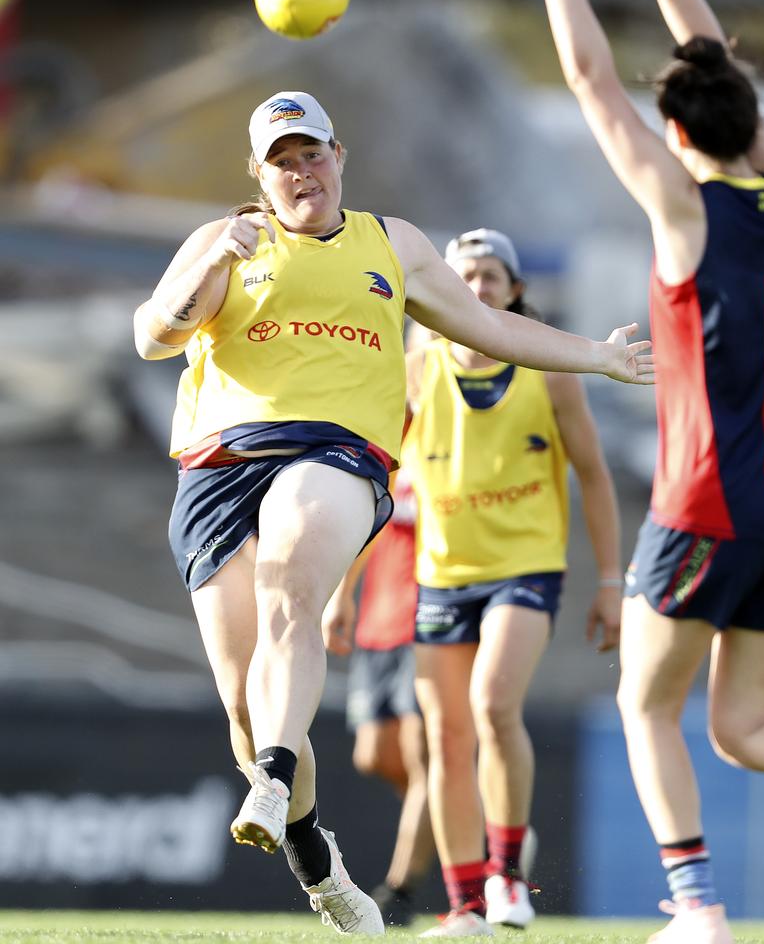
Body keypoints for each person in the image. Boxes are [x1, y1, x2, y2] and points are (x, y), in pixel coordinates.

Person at [132, 88, 653, 935]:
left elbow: (486, 325)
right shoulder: (225, 243)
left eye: (314, 153)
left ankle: (271, 772)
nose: (303, 171)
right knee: (241, 699)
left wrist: (597, 357)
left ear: (340, 157)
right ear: (259, 178)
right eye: (283, 160)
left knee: (289, 585)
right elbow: (153, 336)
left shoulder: (392, 243)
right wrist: (207, 262)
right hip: (218, 465)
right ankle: (311, 850)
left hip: (335, 452)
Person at [528, 0, 764, 942]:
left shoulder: (685, 208)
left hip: (704, 503)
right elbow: (715, 64)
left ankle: (699, 909)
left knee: (645, 705)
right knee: (743, 725)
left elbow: (589, 78)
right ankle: (699, 906)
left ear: (674, 131)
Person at [406, 228, 624, 937]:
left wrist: (612, 582)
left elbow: (593, 474)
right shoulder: (416, 367)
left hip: (525, 566)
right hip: (441, 571)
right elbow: (379, 475)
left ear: (516, 290)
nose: (477, 287)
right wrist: (343, 592)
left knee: (494, 704)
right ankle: (464, 901)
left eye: (492, 276)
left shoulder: (549, 367)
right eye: (463, 274)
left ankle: (506, 874)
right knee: (445, 736)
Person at [323, 461, 435, 927]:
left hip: (433, 615)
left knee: (423, 757)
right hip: (379, 619)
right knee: (374, 756)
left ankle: (399, 891)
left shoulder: (456, 430)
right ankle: (482, 831)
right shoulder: (386, 447)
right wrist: (342, 593)